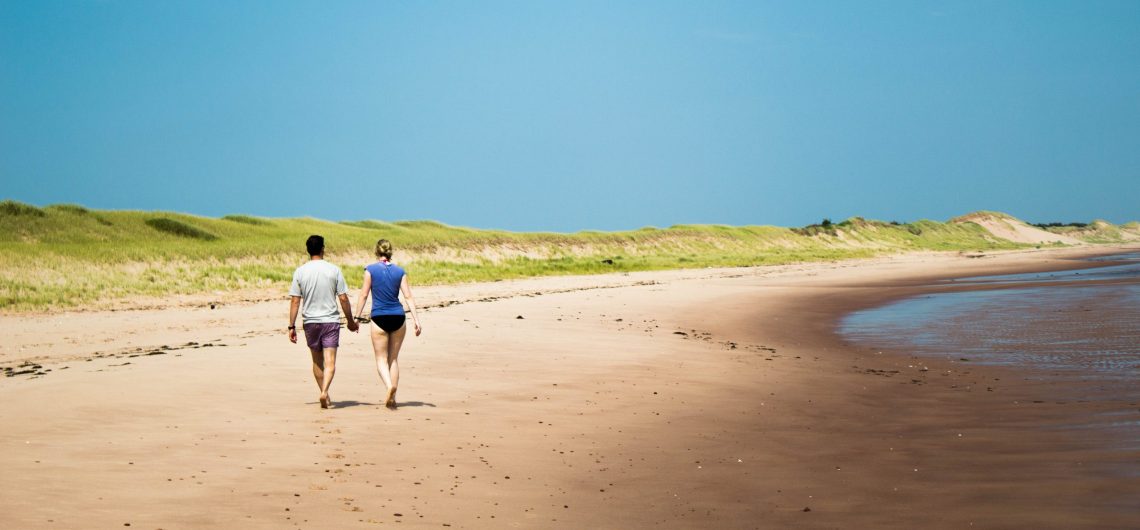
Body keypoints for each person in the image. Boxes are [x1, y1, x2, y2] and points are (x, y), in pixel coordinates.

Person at [288, 235, 359, 409]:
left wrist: (291, 326)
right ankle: (325, 392)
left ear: (308, 250)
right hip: (330, 321)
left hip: (310, 322)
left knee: (316, 361)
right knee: (330, 362)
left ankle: (323, 393)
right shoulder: (333, 270)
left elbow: (295, 301)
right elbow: (343, 298)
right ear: (323, 248)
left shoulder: (300, 271)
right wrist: (350, 321)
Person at [354, 239, 422, 409]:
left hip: (380, 318)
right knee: (393, 359)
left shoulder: (370, 269)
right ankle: (394, 397)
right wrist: (416, 320)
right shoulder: (400, 271)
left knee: (381, 359)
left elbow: (363, 295)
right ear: (391, 252)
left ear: (377, 252)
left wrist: (356, 317)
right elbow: (408, 296)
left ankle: (389, 386)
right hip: (398, 317)